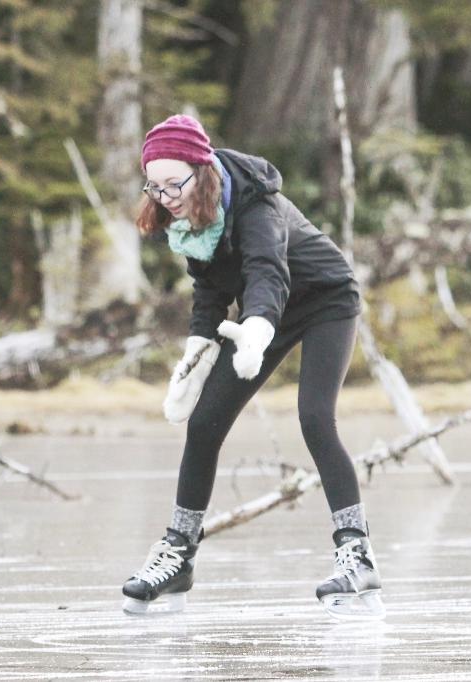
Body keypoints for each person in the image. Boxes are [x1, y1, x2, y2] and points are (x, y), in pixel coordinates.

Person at [121, 114, 384, 620]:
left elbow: (267, 271)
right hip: (268, 311)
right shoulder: (190, 216)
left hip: (325, 299)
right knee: (203, 423)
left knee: (314, 418)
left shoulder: (255, 203)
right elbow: (211, 288)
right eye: (153, 187)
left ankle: (358, 554)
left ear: (202, 171)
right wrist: (196, 354)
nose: (164, 197)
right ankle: (179, 552)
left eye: (173, 184)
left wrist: (258, 328)